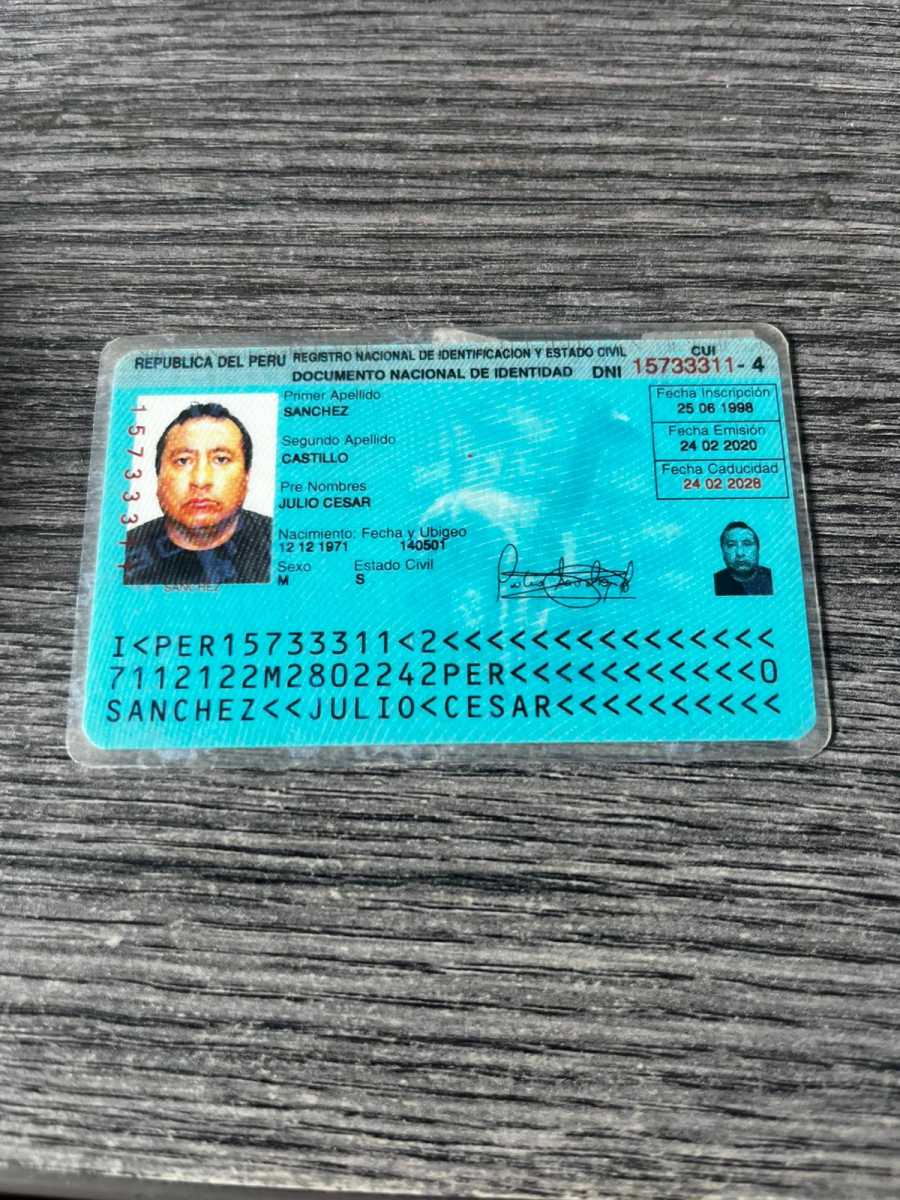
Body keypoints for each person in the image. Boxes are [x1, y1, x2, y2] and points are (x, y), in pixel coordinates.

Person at [124, 403, 271, 585]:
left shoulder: (280, 545)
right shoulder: (123, 554)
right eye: (183, 461)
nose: (200, 480)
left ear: (246, 477)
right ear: (159, 478)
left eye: (221, 459)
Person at [714, 521, 773, 596]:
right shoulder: (713, 582)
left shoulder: (774, 578)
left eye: (747, 544)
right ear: (723, 551)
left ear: (758, 549)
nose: (740, 553)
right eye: (731, 545)